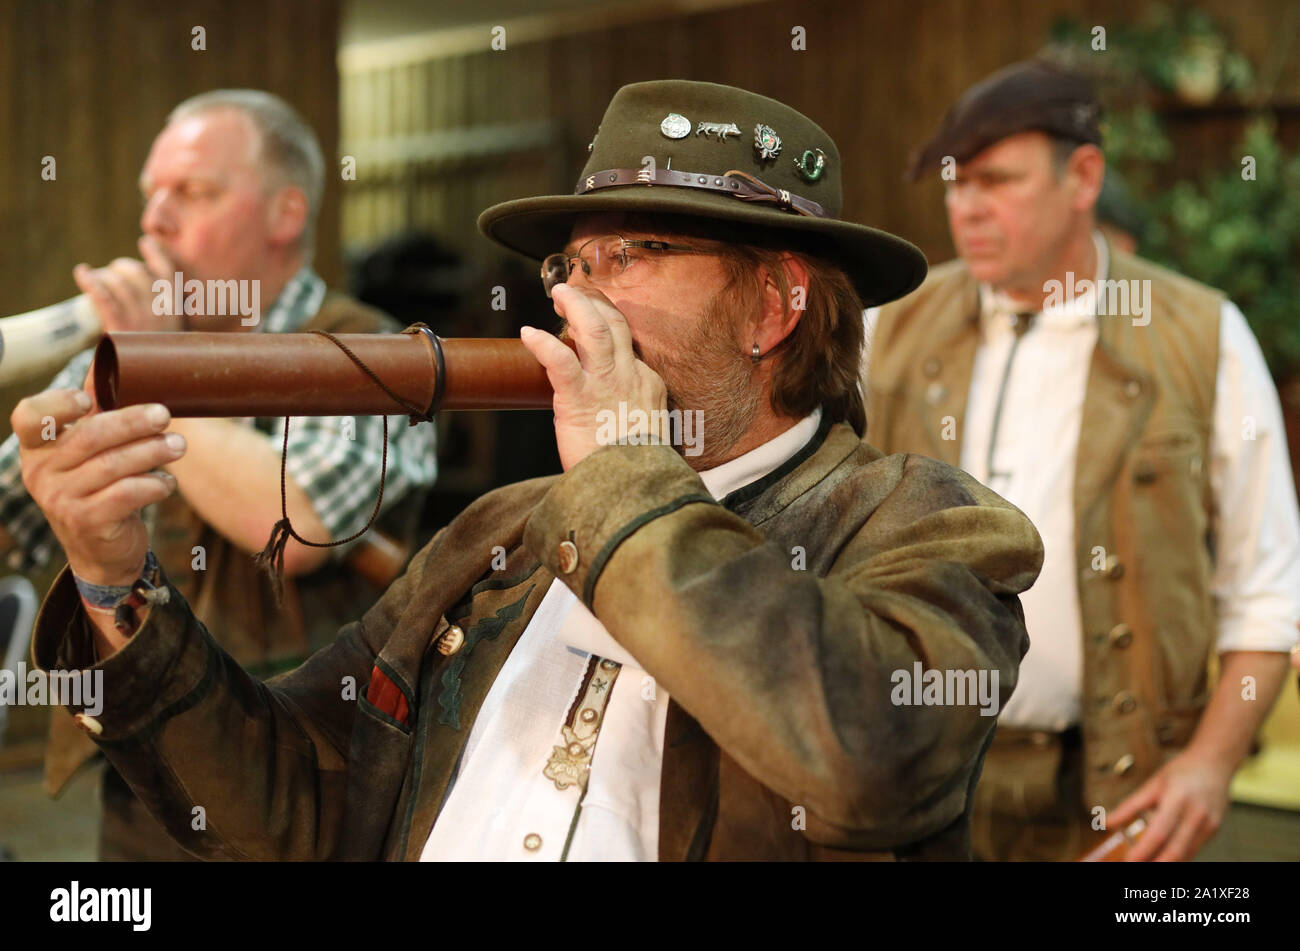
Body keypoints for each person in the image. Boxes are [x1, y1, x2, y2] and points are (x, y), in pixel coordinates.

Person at [17, 80, 1043, 861]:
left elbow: (862, 761)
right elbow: (296, 798)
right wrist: (114, 584)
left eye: (630, 257)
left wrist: (627, 478)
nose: (577, 308)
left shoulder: (927, 525)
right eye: (570, 269)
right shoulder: (496, 534)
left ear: (773, 306)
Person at [863, 59, 1300, 861]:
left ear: (1085, 176)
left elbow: (1269, 590)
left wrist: (1209, 764)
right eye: (956, 183)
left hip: (1125, 797)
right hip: (915, 784)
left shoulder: (1202, 335)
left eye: (997, 180)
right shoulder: (890, 327)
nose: (967, 207)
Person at [0, 89, 437, 860]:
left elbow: (296, 527)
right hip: (138, 771)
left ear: (285, 214)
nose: (154, 221)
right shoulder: (122, 349)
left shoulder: (371, 351)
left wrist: (151, 364)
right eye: (151, 195)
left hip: (305, 778)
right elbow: (9, 523)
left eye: (193, 192)